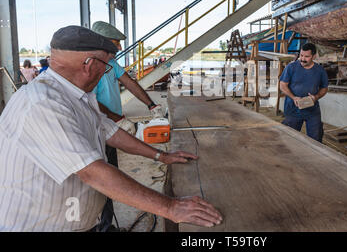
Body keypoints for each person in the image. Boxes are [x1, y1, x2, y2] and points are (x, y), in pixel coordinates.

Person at [0, 25, 222, 231]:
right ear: (89, 64)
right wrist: (170, 208)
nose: (107, 73)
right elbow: (92, 172)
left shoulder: (76, 96)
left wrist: (160, 156)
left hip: (73, 221)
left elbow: (110, 131)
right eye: (106, 66)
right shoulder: (42, 103)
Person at [90, 21, 161, 231]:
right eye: (116, 43)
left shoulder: (112, 63)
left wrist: (151, 104)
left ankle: (106, 224)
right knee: (99, 179)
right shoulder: (90, 66)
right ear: (102, 42)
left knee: (111, 176)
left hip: (111, 129)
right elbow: (89, 99)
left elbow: (129, 82)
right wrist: (116, 118)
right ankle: (100, 226)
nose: (120, 48)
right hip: (96, 129)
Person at [279, 43, 328, 142]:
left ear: (314, 56)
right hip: (293, 109)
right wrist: (294, 97)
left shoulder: (320, 70)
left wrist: (316, 97)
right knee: (289, 138)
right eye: (301, 55)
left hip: (312, 109)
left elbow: (324, 88)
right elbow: (282, 85)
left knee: (316, 139)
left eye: (306, 56)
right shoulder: (291, 67)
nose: (302, 59)